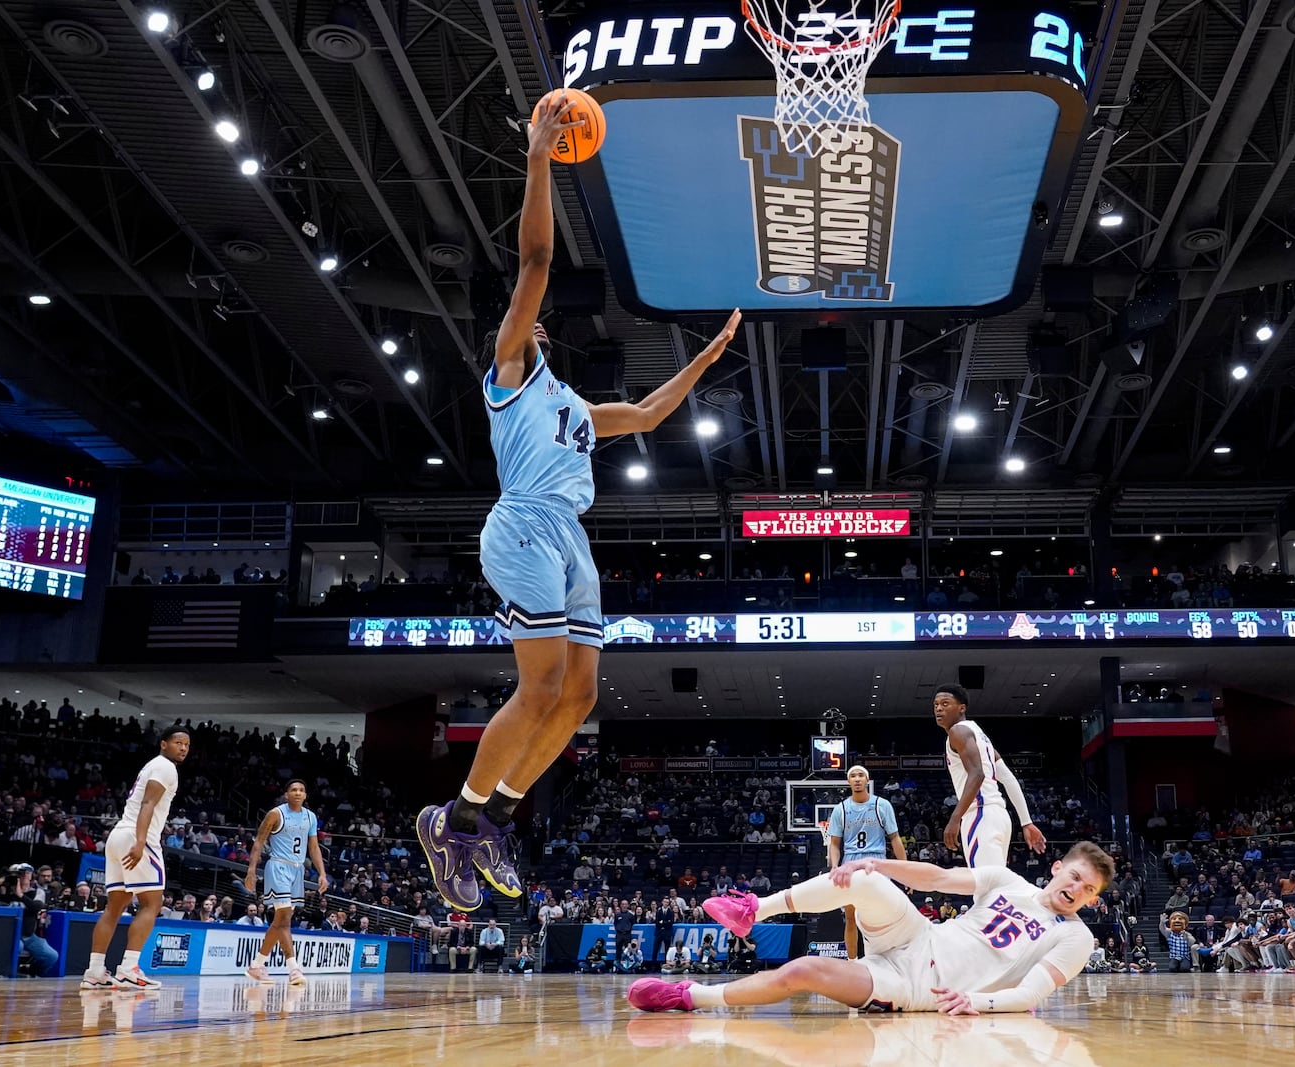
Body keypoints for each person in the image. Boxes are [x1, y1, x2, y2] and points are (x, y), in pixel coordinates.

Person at [415, 90, 742, 912]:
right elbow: (536, 265)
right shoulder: (510, 371)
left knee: (582, 696)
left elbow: (651, 413)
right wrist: (536, 158)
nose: (535, 324)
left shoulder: (576, 407)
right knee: (541, 683)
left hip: (571, 539)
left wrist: (705, 359)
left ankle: (492, 815)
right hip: (522, 523)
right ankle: (451, 817)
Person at [628, 842, 1113, 1015]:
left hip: (919, 986)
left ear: (1092, 899)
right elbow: (940, 878)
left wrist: (978, 1002)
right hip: (918, 938)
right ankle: (756, 909)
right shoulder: (1007, 881)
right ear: (1056, 868)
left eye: (1087, 889)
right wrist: (878, 862)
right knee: (861, 877)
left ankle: (689, 996)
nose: (1076, 889)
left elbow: (1029, 994)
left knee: (803, 969)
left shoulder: (1075, 937)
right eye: (1074, 876)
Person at [81, 726, 190, 990]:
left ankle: (94, 971)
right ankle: (129, 968)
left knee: (114, 907)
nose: (183, 748)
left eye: (187, 744)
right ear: (163, 744)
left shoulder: (152, 766)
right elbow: (148, 805)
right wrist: (141, 842)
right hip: (136, 837)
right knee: (152, 904)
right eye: (178, 743)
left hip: (118, 834)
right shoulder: (165, 767)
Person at [932, 685, 1046, 867]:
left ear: (962, 708)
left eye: (945, 704)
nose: (938, 708)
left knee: (986, 887)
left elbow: (977, 774)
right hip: (999, 816)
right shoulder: (978, 734)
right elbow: (1008, 779)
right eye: (936, 704)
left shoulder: (958, 731)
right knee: (995, 885)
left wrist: (954, 819)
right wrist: (1026, 822)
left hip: (980, 814)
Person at [242, 779, 328, 985]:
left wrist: (322, 874)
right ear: (286, 794)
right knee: (284, 919)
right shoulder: (275, 814)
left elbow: (314, 848)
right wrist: (251, 871)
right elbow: (258, 843)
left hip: (298, 871)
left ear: (305, 795)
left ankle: (256, 965)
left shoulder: (310, 817)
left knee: (280, 921)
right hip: (278, 867)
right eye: (293, 790)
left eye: (301, 790)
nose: (298, 793)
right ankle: (294, 969)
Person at [827, 765, 908, 959]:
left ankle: (885, 959)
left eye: (860, 775)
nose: (856, 779)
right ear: (849, 781)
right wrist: (835, 867)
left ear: (867, 780)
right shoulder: (841, 809)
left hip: (877, 861)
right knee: (850, 917)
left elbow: (895, 838)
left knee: (882, 915)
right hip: (851, 862)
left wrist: (905, 870)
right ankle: (853, 962)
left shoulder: (882, 805)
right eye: (853, 776)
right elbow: (834, 844)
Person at [1, 864, 58, 976]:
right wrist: (4, 893)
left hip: (28, 935)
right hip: (8, 934)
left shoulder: (37, 891)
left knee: (51, 956)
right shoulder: (6, 890)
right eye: (18, 874)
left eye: (25, 874)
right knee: (18, 946)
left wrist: (21, 895)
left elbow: (36, 907)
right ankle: (9, 973)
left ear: (31, 875)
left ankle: (30, 972)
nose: (22, 877)